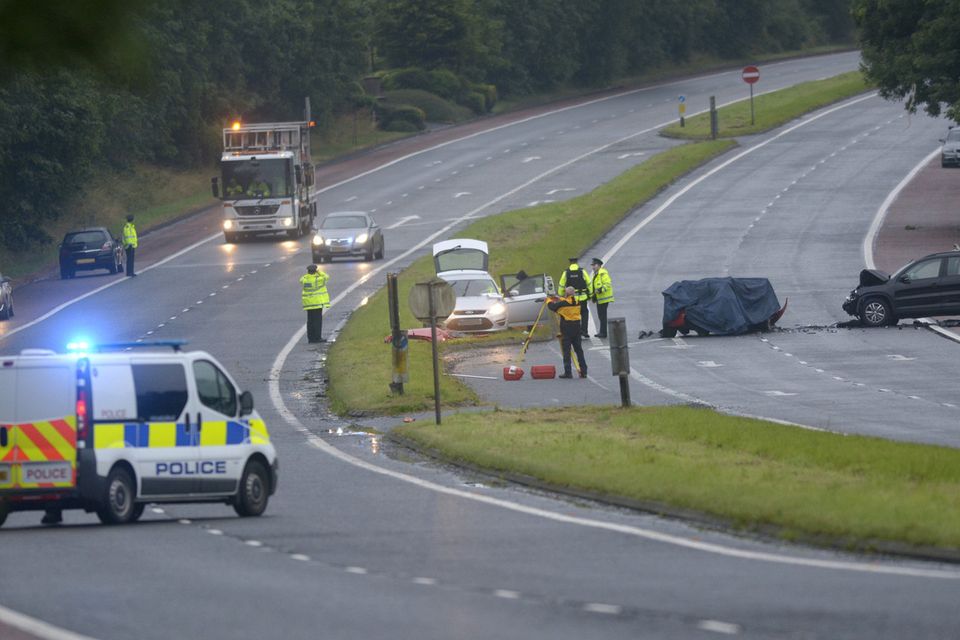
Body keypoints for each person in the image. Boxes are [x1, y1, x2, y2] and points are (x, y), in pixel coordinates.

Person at [547, 286, 588, 379]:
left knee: (566, 351)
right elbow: (568, 301)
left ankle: (568, 372)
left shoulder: (563, 304)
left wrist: (548, 301)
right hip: (577, 328)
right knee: (579, 350)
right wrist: (559, 298)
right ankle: (584, 371)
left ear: (566, 294)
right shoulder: (578, 301)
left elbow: (553, 307)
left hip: (567, 329)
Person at [558, 257, 591, 338]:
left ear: (570, 263)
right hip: (582, 298)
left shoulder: (566, 272)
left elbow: (562, 284)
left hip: (571, 299)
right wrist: (590, 294)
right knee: (584, 313)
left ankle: (576, 333)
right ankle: (584, 331)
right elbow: (589, 283)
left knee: (574, 315)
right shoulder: (582, 271)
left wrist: (561, 294)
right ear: (576, 263)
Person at [301, 264, 330, 343]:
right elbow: (326, 277)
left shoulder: (304, 279)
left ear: (308, 271)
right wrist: (319, 272)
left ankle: (311, 338)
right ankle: (317, 338)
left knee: (310, 321)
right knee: (317, 321)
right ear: (315, 271)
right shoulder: (318, 279)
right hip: (317, 303)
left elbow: (302, 279)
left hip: (308, 303)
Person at [590, 257, 615, 338]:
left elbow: (607, 284)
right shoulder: (596, 273)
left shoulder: (602, 273)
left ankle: (603, 333)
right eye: (592, 265)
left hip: (604, 298)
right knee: (601, 316)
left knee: (602, 316)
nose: (593, 267)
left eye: (594, 265)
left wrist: (600, 290)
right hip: (600, 298)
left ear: (599, 265)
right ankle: (602, 332)